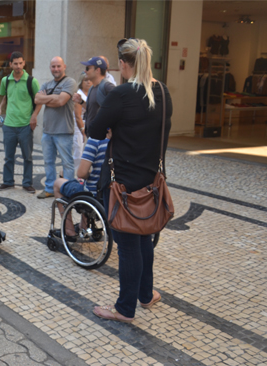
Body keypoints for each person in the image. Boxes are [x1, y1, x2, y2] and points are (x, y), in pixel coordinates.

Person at [91, 38, 172, 323]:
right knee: (144, 240)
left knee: (127, 246)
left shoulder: (122, 94)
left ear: (125, 65)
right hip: (150, 182)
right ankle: (146, 294)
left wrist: (115, 128)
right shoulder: (162, 91)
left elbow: (94, 130)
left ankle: (125, 309)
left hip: (121, 184)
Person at [0, 52, 40, 194]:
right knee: (9, 156)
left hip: (25, 125)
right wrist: (0, 107)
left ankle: (27, 183)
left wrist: (34, 116)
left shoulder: (31, 81)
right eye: (15, 63)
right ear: (11, 64)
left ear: (24, 63)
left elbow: (39, 101)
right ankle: (8, 182)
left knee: (27, 156)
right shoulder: (5, 80)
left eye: (20, 63)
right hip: (9, 124)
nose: (18, 66)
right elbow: (7, 97)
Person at [34, 57, 78, 199]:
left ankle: (70, 191)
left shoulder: (70, 82)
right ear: (50, 68)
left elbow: (61, 101)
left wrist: (47, 99)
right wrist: (54, 99)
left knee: (67, 163)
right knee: (48, 162)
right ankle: (50, 189)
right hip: (47, 131)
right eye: (53, 66)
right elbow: (37, 99)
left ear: (64, 66)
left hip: (64, 131)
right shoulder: (47, 83)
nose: (56, 69)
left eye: (58, 66)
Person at [51, 134, 110, 239]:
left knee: (58, 183)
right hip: (111, 196)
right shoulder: (123, 138)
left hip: (93, 195)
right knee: (84, 187)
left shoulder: (96, 140)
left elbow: (81, 174)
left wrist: (88, 175)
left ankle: (69, 231)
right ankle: (83, 226)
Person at [74, 56, 115, 136]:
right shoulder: (92, 88)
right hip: (92, 135)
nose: (85, 71)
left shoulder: (107, 87)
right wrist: (81, 102)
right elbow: (92, 109)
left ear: (98, 70)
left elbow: (117, 109)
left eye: (88, 68)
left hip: (102, 137)